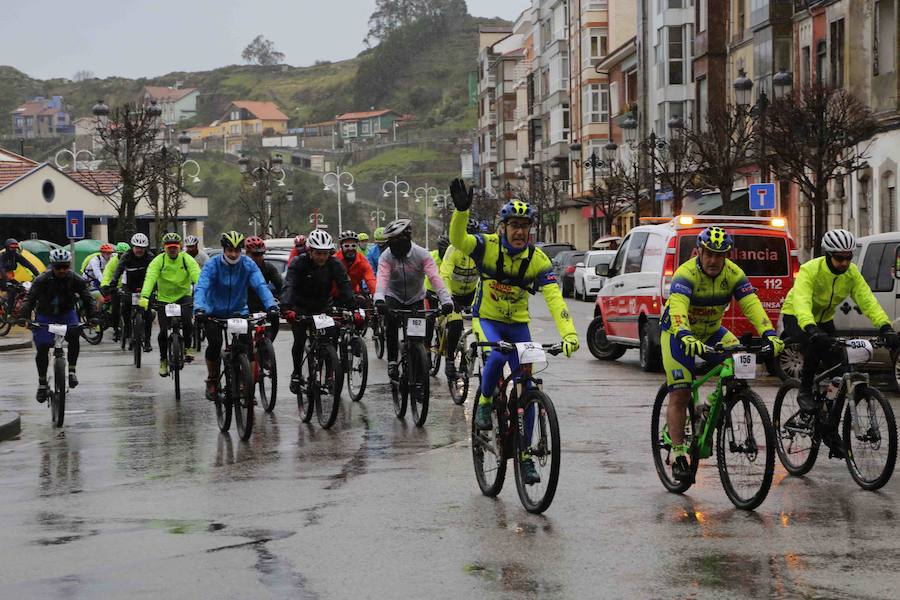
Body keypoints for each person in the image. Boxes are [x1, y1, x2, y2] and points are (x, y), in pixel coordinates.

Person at [448, 179, 578, 485]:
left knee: (527, 386)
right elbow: (458, 240)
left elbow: (555, 299)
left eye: (525, 226)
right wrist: (461, 212)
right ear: (502, 227)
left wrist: (570, 334)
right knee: (496, 353)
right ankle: (483, 405)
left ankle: (525, 456)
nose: (520, 231)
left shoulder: (538, 260)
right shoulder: (486, 246)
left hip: (518, 324)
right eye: (514, 225)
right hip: (488, 319)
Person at [660, 226, 784, 481]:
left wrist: (769, 333)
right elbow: (678, 308)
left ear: (727, 255)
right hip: (677, 334)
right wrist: (684, 334)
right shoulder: (686, 274)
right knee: (681, 391)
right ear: (700, 252)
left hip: (713, 332)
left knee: (739, 365)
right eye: (709, 254)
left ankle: (708, 408)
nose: (714, 260)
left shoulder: (734, 274)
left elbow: (751, 305)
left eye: (720, 255)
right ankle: (679, 452)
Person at [780, 228, 899, 436]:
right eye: (839, 258)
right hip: (797, 317)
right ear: (827, 255)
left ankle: (829, 426)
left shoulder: (851, 273)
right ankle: (805, 391)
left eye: (848, 258)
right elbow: (802, 301)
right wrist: (810, 328)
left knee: (841, 369)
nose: (844, 263)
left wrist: (885, 327)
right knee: (814, 346)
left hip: (824, 320)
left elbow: (867, 300)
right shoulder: (810, 270)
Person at [193, 231, 279, 400]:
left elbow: (261, 286)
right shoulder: (212, 265)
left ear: (241, 251)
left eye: (237, 250)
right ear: (223, 249)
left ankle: (245, 383)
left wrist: (271, 306)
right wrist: (200, 308)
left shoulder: (248, 265)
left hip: (239, 311)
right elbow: (202, 287)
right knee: (215, 343)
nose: (233, 254)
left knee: (247, 347)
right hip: (213, 312)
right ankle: (212, 379)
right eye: (229, 250)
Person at [373, 219, 452, 381]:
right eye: (389, 242)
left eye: (395, 242)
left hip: (416, 298)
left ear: (406, 239)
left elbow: (435, 278)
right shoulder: (386, 257)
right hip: (393, 296)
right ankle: (393, 361)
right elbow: (381, 279)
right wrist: (379, 299)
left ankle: (418, 373)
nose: (391, 246)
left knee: (417, 339)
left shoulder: (422, 254)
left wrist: (446, 300)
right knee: (391, 323)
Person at [17, 248, 96, 401]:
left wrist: (93, 317)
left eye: (65, 266)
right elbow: (30, 299)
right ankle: (41, 384)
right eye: (58, 267)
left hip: (66, 313)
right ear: (52, 266)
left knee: (74, 335)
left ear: (69, 266)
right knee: (43, 347)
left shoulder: (75, 279)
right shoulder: (42, 279)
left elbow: (88, 298)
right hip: (45, 315)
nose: (61, 270)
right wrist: (24, 317)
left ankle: (72, 371)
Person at [281, 229, 354, 393]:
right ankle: (297, 374)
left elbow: (344, 285)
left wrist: (354, 307)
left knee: (330, 336)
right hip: (301, 306)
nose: (322, 257)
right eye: (318, 253)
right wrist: (286, 307)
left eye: (325, 253)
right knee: (299, 340)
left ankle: (329, 375)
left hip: (322, 306)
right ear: (310, 251)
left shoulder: (334, 264)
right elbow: (289, 285)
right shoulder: (298, 263)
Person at [139, 232, 201, 377]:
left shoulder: (187, 259)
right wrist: (145, 296)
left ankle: (187, 348)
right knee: (162, 331)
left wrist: (202, 293)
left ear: (180, 247)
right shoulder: (158, 261)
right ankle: (163, 360)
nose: (172, 250)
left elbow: (197, 275)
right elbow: (150, 278)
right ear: (164, 248)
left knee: (187, 322)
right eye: (169, 247)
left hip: (183, 296)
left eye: (175, 247)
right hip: (164, 299)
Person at [439, 217, 480, 380]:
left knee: (481, 328)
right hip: (454, 295)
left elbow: (487, 277)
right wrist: (448, 297)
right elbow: (444, 274)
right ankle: (450, 360)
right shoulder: (453, 249)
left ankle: (468, 358)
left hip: (471, 294)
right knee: (455, 324)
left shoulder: (480, 251)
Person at [101, 233, 155, 352]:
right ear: (132, 247)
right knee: (125, 307)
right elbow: (118, 271)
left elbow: (155, 273)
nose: (139, 250)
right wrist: (112, 285)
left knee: (147, 314)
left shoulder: (150, 257)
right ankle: (127, 330)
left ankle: (147, 341)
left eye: (141, 248)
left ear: (145, 248)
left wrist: (156, 288)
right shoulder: (126, 256)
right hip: (129, 285)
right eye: (136, 247)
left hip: (145, 285)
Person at [245, 236, 283, 340]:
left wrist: (281, 301)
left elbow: (280, 286)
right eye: (255, 255)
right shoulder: (241, 268)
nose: (258, 258)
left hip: (264, 304)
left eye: (260, 254)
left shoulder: (269, 267)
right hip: (246, 304)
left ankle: (267, 345)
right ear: (247, 254)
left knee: (275, 319)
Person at [1, 238, 40, 320]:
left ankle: (18, 311)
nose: (14, 250)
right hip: (2, 278)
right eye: (12, 248)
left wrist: (38, 275)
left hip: (9, 278)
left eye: (15, 248)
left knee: (22, 289)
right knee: (12, 290)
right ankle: (8, 314)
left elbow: (28, 264)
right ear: (7, 248)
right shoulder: (2, 256)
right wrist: (6, 280)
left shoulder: (16, 256)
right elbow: (1, 269)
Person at [335, 230, 376, 298]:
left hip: (353, 294)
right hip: (334, 295)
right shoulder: (335, 260)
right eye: (347, 246)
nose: (350, 249)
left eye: (353, 246)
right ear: (341, 247)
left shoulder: (362, 261)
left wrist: (377, 297)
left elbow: (370, 279)